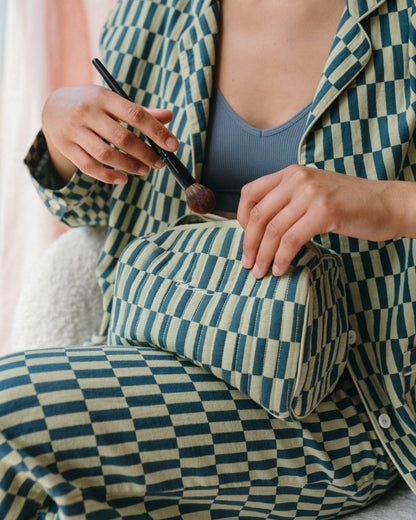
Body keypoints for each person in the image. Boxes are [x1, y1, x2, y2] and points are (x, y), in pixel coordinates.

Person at [1, 0, 416, 517]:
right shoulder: (151, 12)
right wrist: (61, 128)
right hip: (151, 345)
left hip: (350, 399)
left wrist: (390, 203)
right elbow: (89, 203)